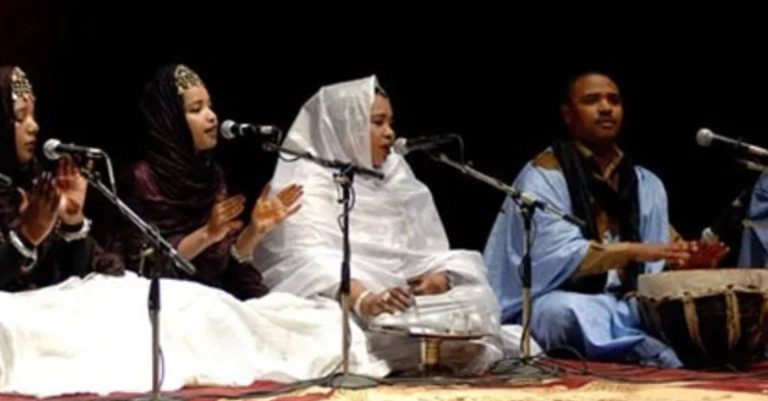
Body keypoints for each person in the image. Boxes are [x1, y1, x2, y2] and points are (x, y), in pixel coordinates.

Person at [254, 76, 502, 373]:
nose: (390, 133)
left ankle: (407, 334)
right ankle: (399, 339)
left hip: (402, 302)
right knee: (320, 327)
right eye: (377, 122)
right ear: (344, 126)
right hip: (341, 303)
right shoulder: (305, 181)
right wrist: (365, 299)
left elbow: (428, 251)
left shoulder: (396, 173)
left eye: (390, 122)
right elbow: (305, 261)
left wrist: (437, 280)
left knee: (477, 295)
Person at [484, 71, 728, 367]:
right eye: (591, 100)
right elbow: (553, 255)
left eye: (613, 100)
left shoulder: (643, 181)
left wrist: (691, 264)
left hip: (628, 302)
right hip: (566, 298)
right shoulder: (544, 176)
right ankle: (650, 351)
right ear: (568, 115)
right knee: (560, 313)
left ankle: (635, 342)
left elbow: (663, 253)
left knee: (686, 302)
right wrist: (634, 250)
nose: (605, 107)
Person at [122, 64, 301, 300]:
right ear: (170, 120)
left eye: (210, 106)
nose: (212, 116)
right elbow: (144, 265)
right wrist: (207, 233)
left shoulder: (212, 176)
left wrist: (253, 231)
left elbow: (223, 267)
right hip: (160, 301)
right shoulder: (142, 177)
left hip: (207, 297)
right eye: (196, 109)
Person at [0, 65, 122, 292]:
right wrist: (27, 236)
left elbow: (72, 275)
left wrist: (72, 220)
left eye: (33, 114)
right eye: (20, 115)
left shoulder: (35, 181)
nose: (34, 126)